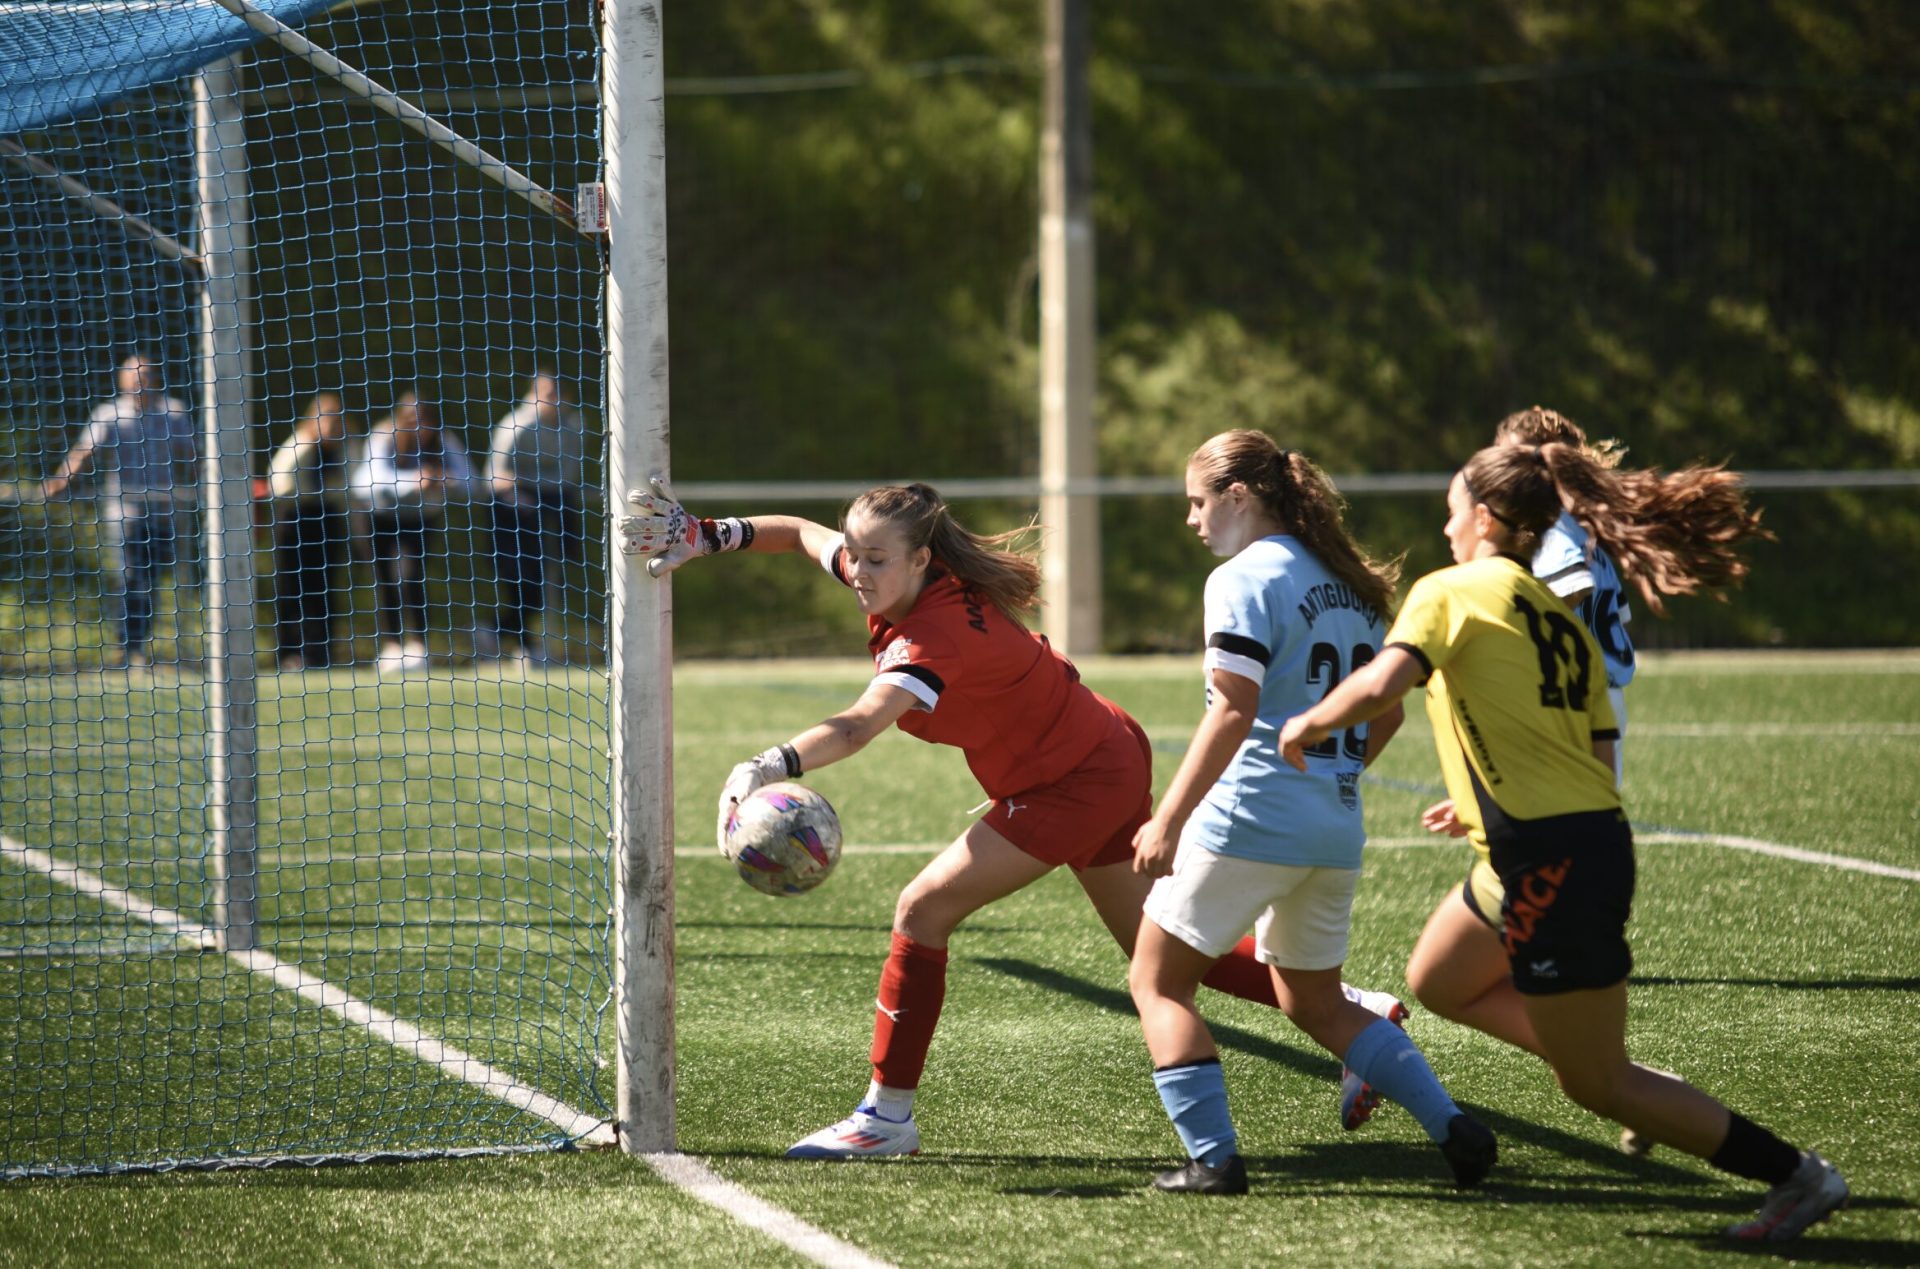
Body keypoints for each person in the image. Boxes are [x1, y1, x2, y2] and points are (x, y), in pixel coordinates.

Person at [620, 479, 1336, 1160]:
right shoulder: (895, 571)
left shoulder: (934, 637)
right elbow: (804, 535)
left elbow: (859, 726)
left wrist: (767, 765)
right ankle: (1355, 1014)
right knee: (1171, 951)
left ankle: (886, 1116)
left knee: (922, 909)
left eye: (875, 559)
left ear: (922, 560)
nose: (858, 571)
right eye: (857, 555)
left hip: (1073, 780)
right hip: (1100, 752)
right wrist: (705, 535)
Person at [1275, 442, 1847, 1243]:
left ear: (1482, 516)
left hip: (1549, 859)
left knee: (1595, 1086)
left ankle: (1795, 1173)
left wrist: (1309, 720)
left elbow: (1381, 684)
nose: (1444, 525)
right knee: (1437, 977)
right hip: (1560, 843)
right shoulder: (1558, 618)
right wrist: (1480, 791)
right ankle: (1625, 1073)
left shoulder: (1448, 591)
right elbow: (1596, 755)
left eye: (1450, 509)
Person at [1128, 430, 1496, 1196]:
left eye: (1199, 503)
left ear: (1238, 497)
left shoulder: (1243, 577)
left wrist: (1167, 817)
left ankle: (1215, 1159)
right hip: (1335, 823)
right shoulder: (1351, 581)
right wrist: (1326, 780)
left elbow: (1233, 710)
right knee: (1315, 1000)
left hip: (1250, 815)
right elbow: (1387, 714)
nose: (1193, 521)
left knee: (1157, 981)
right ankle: (1453, 1127)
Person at [41, 353, 198, 668]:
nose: (140, 382)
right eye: (134, 375)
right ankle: (128, 646)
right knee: (130, 578)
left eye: (146, 375)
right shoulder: (109, 414)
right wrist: (60, 481)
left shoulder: (173, 413)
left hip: (163, 513)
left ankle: (140, 644)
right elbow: (84, 451)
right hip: (124, 514)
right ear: (121, 379)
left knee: (151, 580)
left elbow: (194, 455)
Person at [348, 389, 471, 672]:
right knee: (384, 580)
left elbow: (470, 478)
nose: (418, 425)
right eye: (411, 418)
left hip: (418, 518)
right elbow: (367, 478)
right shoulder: (383, 435)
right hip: (376, 516)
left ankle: (418, 646)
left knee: (412, 575)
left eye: (423, 419)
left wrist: (443, 479)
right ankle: (391, 646)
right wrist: (413, 481)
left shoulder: (444, 440)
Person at [481, 371, 587, 665]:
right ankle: (510, 637)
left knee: (542, 580)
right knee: (521, 577)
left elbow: (568, 474)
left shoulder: (574, 425)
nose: (552, 400)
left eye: (556, 392)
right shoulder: (516, 426)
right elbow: (497, 474)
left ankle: (503, 634)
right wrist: (525, 489)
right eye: (545, 393)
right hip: (513, 509)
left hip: (549, 503)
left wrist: (534, 486)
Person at [265, 393, 353, 671]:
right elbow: (278, 481)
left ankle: (319, 653)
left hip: (327, 521)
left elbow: (352, 483)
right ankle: (289, 653)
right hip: (294, 520)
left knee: (323, 589)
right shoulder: (300, 444)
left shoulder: (344, 449)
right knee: (291, 589)